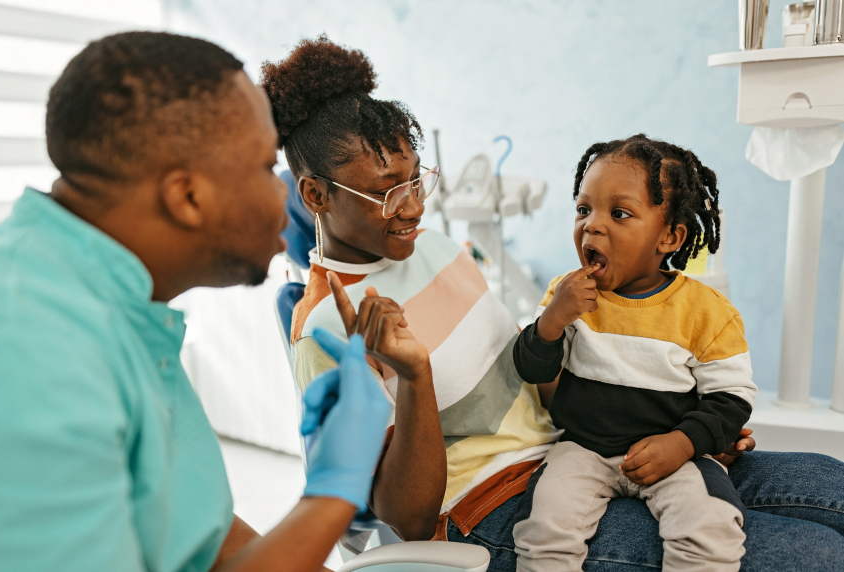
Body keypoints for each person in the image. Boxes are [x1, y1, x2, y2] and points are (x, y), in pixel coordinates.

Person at [266, 36, 844, 571]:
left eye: (416, 180)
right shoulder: (325, 328)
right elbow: (408, 519)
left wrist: (684, 424)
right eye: (388, 190)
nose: (414, 206)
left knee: (832, 488)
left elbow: (525, 377)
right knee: (815, 555)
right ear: (315, 194)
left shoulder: (437, 248)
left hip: (579, 450)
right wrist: (413, 375)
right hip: (489, 508)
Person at [0, 31, 392, 572]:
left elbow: (201, 538)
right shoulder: (29, 349)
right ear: (188, 197)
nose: (286, 193)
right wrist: (335, 494)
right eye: (262, 167)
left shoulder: (113, 297)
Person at [512, 135, 755, 571]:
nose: (593, 226)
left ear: (669, 237)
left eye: (619, 213)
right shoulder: (565, 296)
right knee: (542, 530)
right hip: (581, 450)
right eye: (584, 209)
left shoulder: (706, 313)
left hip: (674, 455)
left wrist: (683, 443)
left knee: (711, 528)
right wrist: (552, 320)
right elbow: (532, 368)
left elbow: (732, 399)